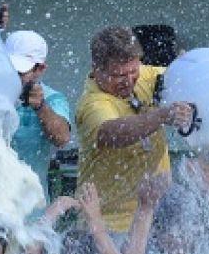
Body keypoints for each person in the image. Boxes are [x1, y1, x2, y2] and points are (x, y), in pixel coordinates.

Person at [75, 25, 194, 234]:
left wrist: (197, 63)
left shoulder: (146, 75)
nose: (129, 81)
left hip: (157, 218)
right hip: (110, 226)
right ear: (96, 69)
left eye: (133, 71)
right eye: (119, 75)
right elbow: (112, 133)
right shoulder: (93, 103)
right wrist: (162, 115)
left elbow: (192, 74)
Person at [5, 29, 73, 200]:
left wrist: (41, 107)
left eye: (20, 72)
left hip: (32, 211)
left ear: (40, 69)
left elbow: (62, 138)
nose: (13, 76)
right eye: (8, 68)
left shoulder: (53, 99)